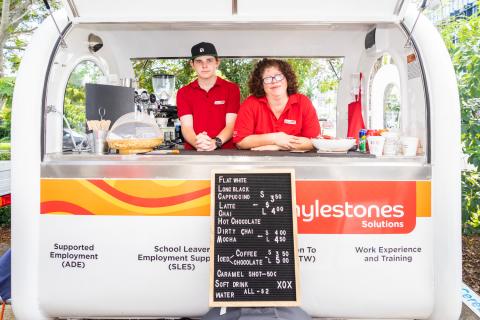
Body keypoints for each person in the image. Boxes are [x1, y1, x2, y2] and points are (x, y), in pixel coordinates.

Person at [233, 58, 320, 151]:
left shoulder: (303, 102)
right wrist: (275, 138)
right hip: (259, 163)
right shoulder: (251, 103)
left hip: (295, 163)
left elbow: (314, 142)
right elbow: (240, 141)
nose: (274, 81)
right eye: (267, 79)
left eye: (278, 76)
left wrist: (278, 147)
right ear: (261, 84)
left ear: (287, 78)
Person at [176, 42, 240, 151]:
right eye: (199, 61)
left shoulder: (231, 89)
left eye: (209, 60)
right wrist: (198, 144)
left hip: (226, 153)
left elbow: (231, 124)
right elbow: (186, 127)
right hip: (195, 153)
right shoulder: (183, 93)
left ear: (217, 62)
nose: (204, 66)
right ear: (192, 64)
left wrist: (216, 142)